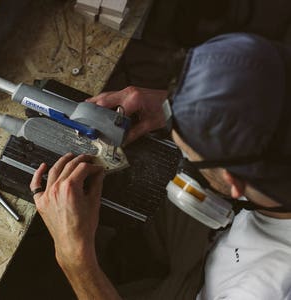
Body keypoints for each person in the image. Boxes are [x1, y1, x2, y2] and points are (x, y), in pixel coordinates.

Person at [30, 33, 291, 299]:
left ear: (233, 182)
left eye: (190, 157)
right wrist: (183, 106)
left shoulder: (264, 290)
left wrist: (76, 261)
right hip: (226, 234)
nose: (185, 162)